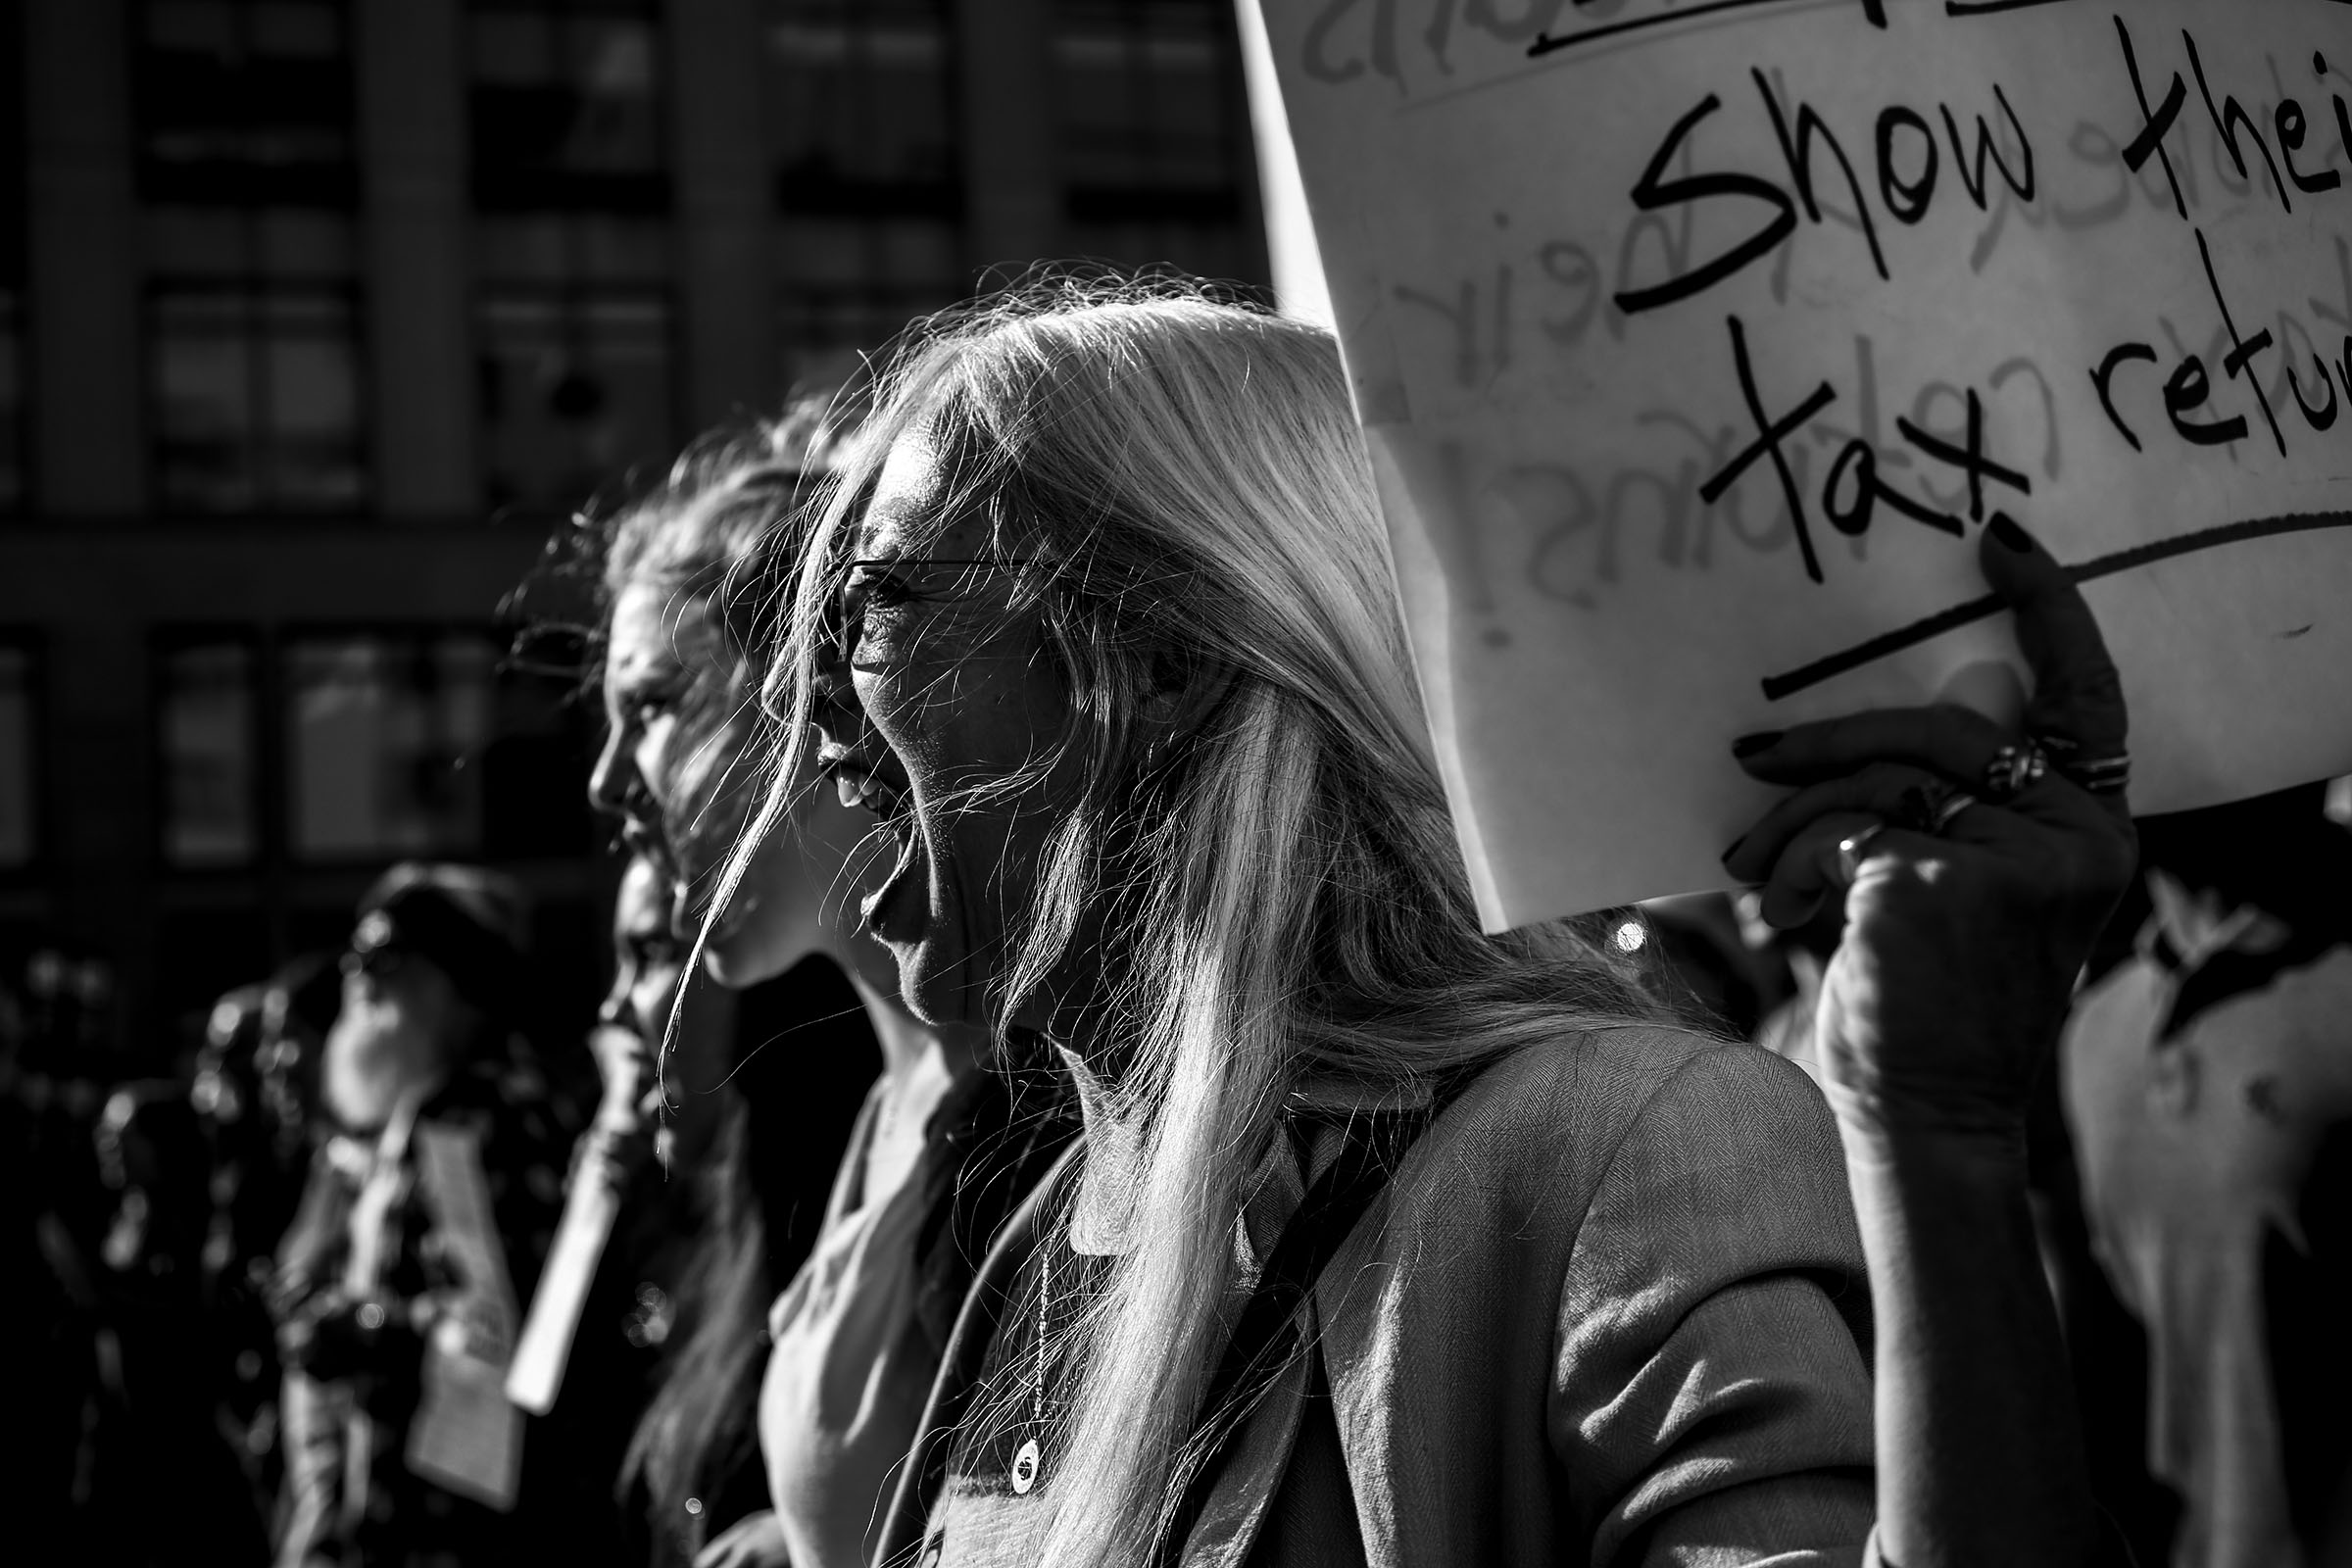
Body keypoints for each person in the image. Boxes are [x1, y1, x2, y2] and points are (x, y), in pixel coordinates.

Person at [742, 281, 2139, 1566]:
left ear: (1158, 658)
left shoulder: (1622, 1154)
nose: (809, 721)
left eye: (876, 600)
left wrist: (1935, 1133)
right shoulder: (1040, 1241)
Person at [584, 412, 1074, 1568]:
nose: (609, 781)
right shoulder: (870, 1106)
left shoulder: (1051, 1091)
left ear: (811, 689)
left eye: (652, 704)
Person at [270, 863, 564, 1568]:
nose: (357, 977)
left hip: (452, 1535)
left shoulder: (469, 1117)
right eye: (354, 956)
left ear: (459, 985)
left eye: (384, 958)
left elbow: (498, 1331)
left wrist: (363, 1329)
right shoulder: (432, 1112)